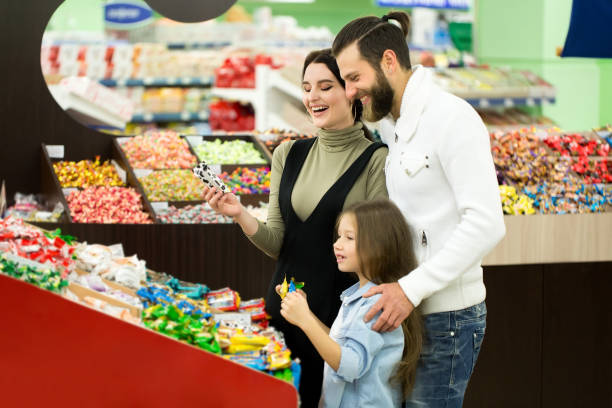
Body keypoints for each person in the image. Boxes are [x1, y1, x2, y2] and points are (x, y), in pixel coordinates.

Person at [331, 11, 506, 407]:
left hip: (447, 319)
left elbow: (486, 224)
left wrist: (410, 290)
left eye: (354, 78)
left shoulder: (452, 119)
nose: (349, 91)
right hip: (408, 313)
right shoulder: (392, 123)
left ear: (389, 62)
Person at [203, 49, 388, 407]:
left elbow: (376, 253)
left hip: (337, 327)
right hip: (283, 310)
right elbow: (279, 243)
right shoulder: (289, 154)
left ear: (351, 91)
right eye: (306, 88)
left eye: (325, 86)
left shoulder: (375, 160)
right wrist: (240, 213)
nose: (312, 97)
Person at [281, 199, 423, 407]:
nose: (337, 244)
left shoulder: (375, 303)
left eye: (349, 237)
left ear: (379, 245)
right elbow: (340, 345)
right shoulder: (359, 295)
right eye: (339, 236)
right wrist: (306, 314)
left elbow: (349, 365)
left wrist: (305, 321)